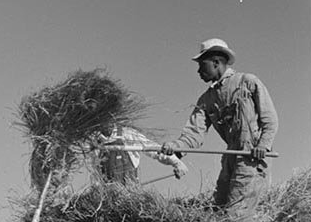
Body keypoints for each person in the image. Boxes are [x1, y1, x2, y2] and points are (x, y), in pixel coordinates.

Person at [159, 38, 279, 209]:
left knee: (236, 216)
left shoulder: (247, 82)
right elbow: (194, 135)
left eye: (202, 65)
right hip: (230, 156)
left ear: (216, 62)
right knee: (219, 209)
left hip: (251, 157)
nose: (199, 71)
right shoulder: (206, 99)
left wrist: (263, 146)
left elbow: (270, 120)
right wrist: (176, 147)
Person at [91, 123, 187, 185]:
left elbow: (154, 150)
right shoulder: (95, 141)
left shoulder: (127, 133)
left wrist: (177, 163)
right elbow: (96, 172)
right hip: (106, 196)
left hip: (129, 193)